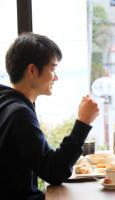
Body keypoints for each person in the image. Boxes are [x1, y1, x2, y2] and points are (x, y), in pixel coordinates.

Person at [0, 33, 99, 199]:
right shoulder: (19, 114)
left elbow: (43, 159)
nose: (56, 77)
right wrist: (83, 122)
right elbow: (54, 172)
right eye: (53, 69)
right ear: (32, 70)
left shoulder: (7, 102)